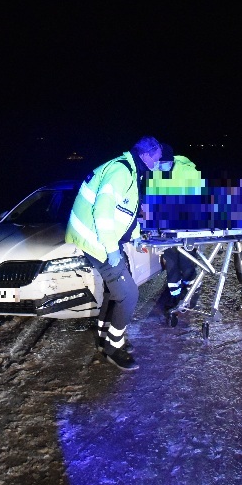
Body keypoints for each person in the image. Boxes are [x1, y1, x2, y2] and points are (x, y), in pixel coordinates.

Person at [65, 136, 163, 371]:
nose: (159, 163)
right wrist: (111, 251)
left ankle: (103, 338)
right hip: (96, 243)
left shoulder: (129, 170)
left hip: (100, 241)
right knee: (129, 295)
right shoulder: (121, 172)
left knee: (115, 291)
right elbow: (102, 211)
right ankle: (113, 347)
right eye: (157, 158)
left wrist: (137, 235)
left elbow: (126, 211)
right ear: (147, 154)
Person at [148, 143, 205, 309]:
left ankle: (191, 292)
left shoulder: (188, 172)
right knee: (171, 263)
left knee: (186, 262)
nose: (159, 165)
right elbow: (152, 197)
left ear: (170, 161)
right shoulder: (156, 173)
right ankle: (175, 296)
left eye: (161, 162)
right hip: (166, 227)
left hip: (186, 226)